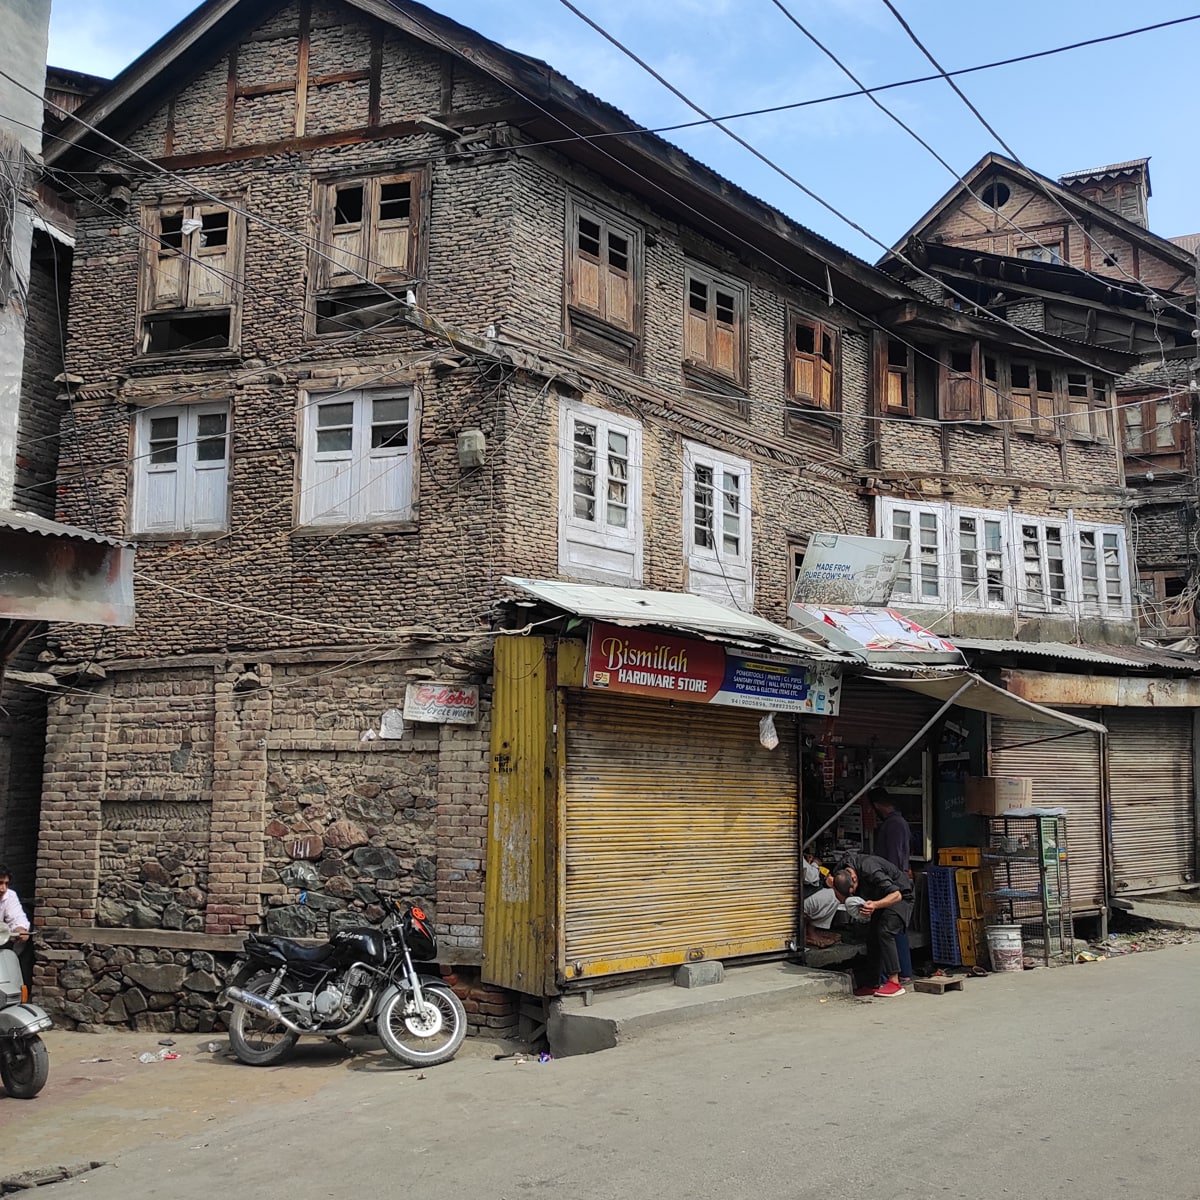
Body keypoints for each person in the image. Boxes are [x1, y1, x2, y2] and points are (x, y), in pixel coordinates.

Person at [830, 850, 913, 998]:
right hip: (876, 897)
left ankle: (894, 982)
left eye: (853, 891)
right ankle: (872, 983)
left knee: (885, 931)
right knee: (872, 937)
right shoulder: (840, 869)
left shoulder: (871, 869)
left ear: (854, 878)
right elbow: (830, 881)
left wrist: (874, 905)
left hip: (900, 897)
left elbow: (896, 895)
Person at [869, 787, 914, 985]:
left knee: (890, 929)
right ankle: (903, 972)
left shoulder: (894, 824)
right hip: (897, 881)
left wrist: (889, 885)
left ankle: (897, 973)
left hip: (894, 883)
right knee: (896, 929)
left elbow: (895, 857)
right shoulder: (897, 823)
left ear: (877, 805)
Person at [0, 865, 32, 988]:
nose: (3, 888)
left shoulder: (10, 896)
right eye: (0, 883)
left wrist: (20, 928)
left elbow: (16, 916)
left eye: (6, 884)